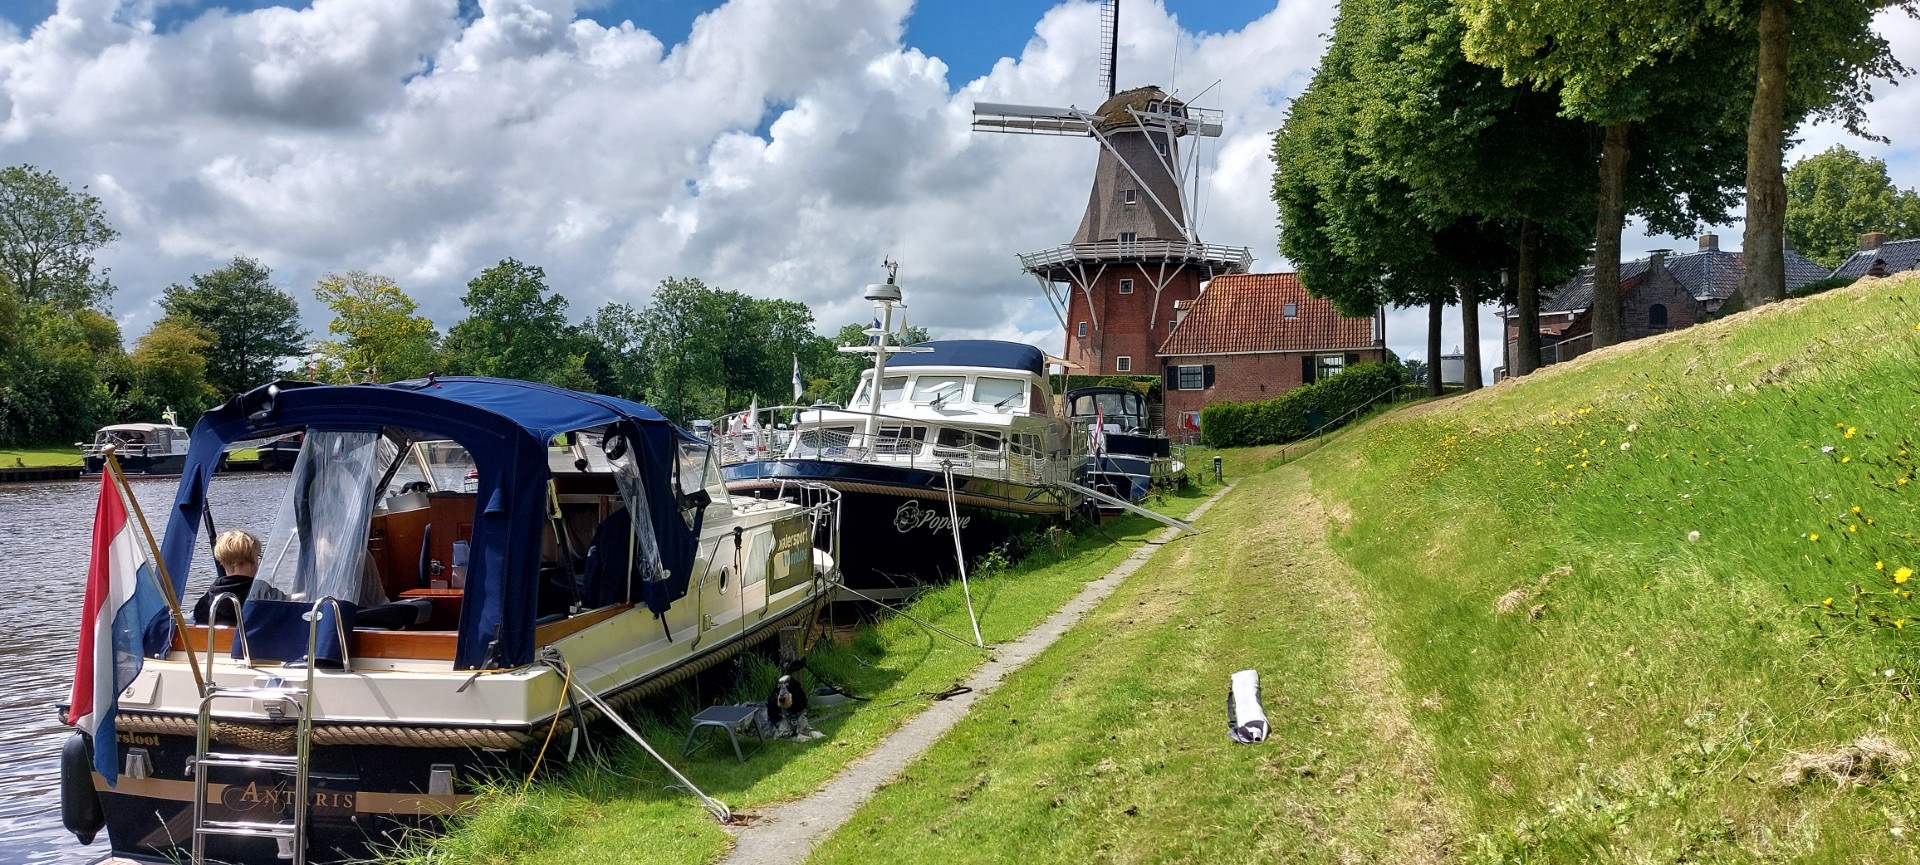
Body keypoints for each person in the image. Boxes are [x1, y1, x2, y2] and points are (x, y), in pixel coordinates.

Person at [193, 530, 272, 625]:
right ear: (253, 559)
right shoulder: (262, 592)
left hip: (212, 639)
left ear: (222, 561)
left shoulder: (205, 602)